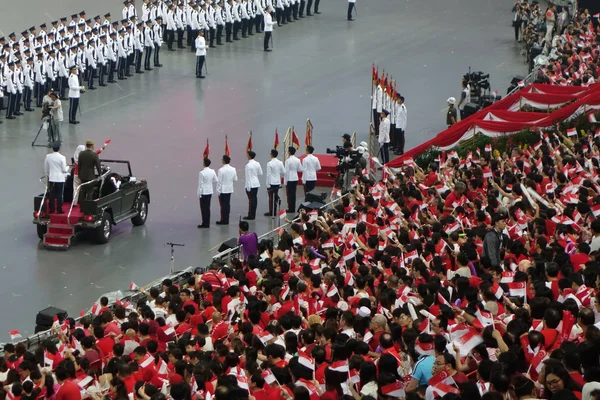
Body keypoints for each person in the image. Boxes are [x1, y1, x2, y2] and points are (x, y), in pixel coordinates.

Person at [44, 142, 68, 214]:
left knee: (52, 194)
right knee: (59, 195)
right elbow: (64, 170)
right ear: (59, 148)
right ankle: (59, 210)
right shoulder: (62, 157)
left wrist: (47, 175)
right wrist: (68, 167)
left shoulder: (48, 156)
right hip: (60, 179)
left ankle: (51, 209)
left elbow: (46, 168)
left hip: (52, 178)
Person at [216, 154, 238, 225]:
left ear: (223, 161)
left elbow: (219, 182)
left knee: (223, 206)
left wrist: (218, 191)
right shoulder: (233, 169)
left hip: (223, 190)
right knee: (227, 205)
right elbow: (235, 179)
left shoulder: (221, 170)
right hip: (229, 189)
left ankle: (223, 219)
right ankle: (226, 219)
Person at [197, 157, 218, 228]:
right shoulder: (212, 171)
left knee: (203, 208)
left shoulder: (202, 173)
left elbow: (200, 184)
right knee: (208, 207)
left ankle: (204, 223)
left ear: (204, 164)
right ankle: (207, 222)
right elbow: (216, 180)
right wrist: (209, 182)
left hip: (203, 192)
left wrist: (199, 193)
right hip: (209, 191)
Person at [265, 149, 285, 216]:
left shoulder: (269, 163)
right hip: (277, 182)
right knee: (275, 196)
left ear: (271, 155)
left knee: (271, 198)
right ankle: (275, 210)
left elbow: (268, 174)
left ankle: (271, 211)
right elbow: (283, 172)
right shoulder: (280, 162)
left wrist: (267, 184)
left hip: (271, 182)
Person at [244, 150, 263, 220]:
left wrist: (248, 187)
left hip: (250, 184)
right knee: (254, 199)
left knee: (251, 200)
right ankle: (253, 214)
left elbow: (248, 176)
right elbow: (260, 173)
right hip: (256, 183)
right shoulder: (257, 163)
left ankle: (251, 215)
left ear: (249, 156)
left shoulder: (248, 165)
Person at [284, 146, 302, 213]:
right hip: (295, 177)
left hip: (289, 178)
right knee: (293, 194)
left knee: (289, 194)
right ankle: (293, 207)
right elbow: (300, 169)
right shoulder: (298, 160)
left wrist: (285, 181)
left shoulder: (288, 161)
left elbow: (286, 171)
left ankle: (290, 208)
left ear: (289, 152)